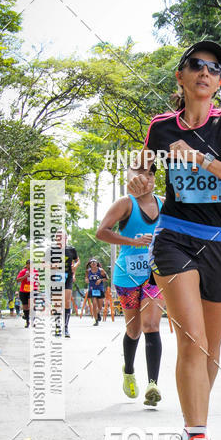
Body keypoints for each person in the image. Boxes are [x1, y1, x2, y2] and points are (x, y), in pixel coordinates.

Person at [128, 39, 221, 440]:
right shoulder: (161, 127)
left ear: (218, 83)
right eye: (197, 65)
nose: (206, 72)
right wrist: (140, 180)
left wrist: (204, 160)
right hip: (175, 238)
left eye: (214, 68)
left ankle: (191, 428)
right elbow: (142, 173)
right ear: (181, 77)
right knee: (193, 341)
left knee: (212, 350)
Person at [96, 153, 164, 406]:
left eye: (150, 173)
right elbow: (101, 232)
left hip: (155, 274)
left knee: (151, 325)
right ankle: (129, 371)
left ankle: (153, 385)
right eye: (140, 173)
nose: (146, 178)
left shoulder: (165, 204)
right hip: (127, 275)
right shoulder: (125, 204)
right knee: (134, 330)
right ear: (132, 177)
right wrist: (132, 242)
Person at [53, 232, 79, 337]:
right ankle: (57, 327)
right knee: (57, 303)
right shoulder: (51, 250)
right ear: (56, 238)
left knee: (67, 302)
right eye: (58, 237)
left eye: (63, 237)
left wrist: (75, 266)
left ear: (66, 238)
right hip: (55, 277)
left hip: (68, 277)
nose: (61, 239)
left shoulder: (71, 249)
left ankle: (66, 327)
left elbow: (77, 260)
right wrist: (52, 266)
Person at [15, 260, 39, 328]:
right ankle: (27, 321)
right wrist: (25, 276)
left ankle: (33, 321)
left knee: (31, 304)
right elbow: (18, 280)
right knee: (25, 306)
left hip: (32, 290)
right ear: (27, 265)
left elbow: (37, 281)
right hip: (24, 291)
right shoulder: (23, 271)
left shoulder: (35, 271)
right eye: (29, 264)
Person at [85, 259, 108, 325]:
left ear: (97, 264)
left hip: (99, 289)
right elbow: (86, 277)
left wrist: (100, 280)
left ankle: (98, 313)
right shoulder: (88, 271)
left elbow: (107, 278)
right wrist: (86, 279)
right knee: (94, 304)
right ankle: (96, 320)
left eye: (94, 262)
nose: (93, 263)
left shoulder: (101, 270)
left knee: (100, 306)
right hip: (92, 289)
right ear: (90, 264)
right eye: (92, 263)